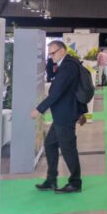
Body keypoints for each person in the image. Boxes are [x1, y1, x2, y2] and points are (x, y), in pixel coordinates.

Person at [32, 40, 83, 193]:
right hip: (62, 114)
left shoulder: (68, 67)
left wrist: (39, 109)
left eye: (53, 53)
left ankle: (75, 183)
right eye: (49, 54)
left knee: (68, 150)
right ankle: (51, 179)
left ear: (62, 51)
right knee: (50, 144)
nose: (51, 56)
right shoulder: (66, 64)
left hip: (65, 115)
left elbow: (56, 92)